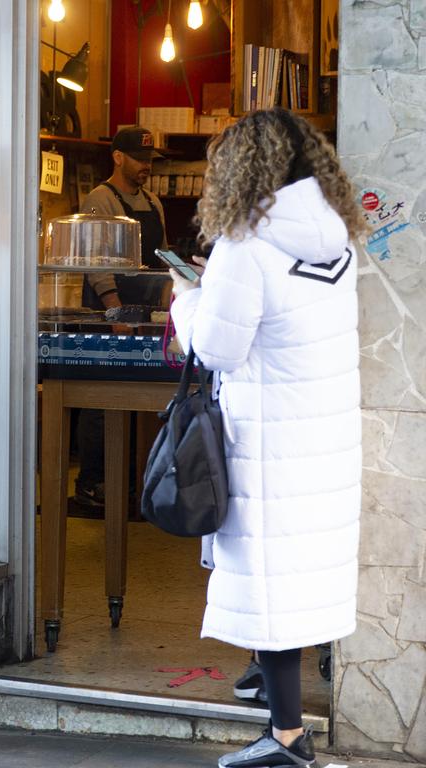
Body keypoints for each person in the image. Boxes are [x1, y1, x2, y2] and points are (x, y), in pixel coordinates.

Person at [168, 107, 364, 768]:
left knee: (274, 581)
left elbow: (218, 348)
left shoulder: (245, 244)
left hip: (270, 442)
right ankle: (261, 681)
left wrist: (184, 297)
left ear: (241, 168)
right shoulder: (336, 237)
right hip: (322, 435)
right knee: (298, 573)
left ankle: (287, 740)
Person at [74, 125, 170, 509]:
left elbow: (162, 259)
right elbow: (97, 261)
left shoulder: (154, 202)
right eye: (139, 158)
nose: (146, 166)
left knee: (138, 396)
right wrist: (114, 310)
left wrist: (167, 303)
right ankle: (92, 480)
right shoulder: (100, 198)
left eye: (149, 160)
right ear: (117, 156)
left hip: (145, 313)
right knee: (101, 399)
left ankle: (130, 478)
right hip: (108, 312)